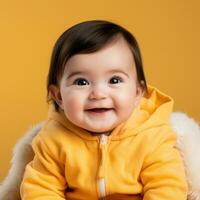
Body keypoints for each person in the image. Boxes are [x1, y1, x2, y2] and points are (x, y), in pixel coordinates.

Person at [20, 20, 188, 199]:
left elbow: (167, 187)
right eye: (81, 82)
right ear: (59, 96)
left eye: (114, 80)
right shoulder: (53, 140)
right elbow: (40, 189)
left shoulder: (152, 136)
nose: (98, 94)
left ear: (137, 93)